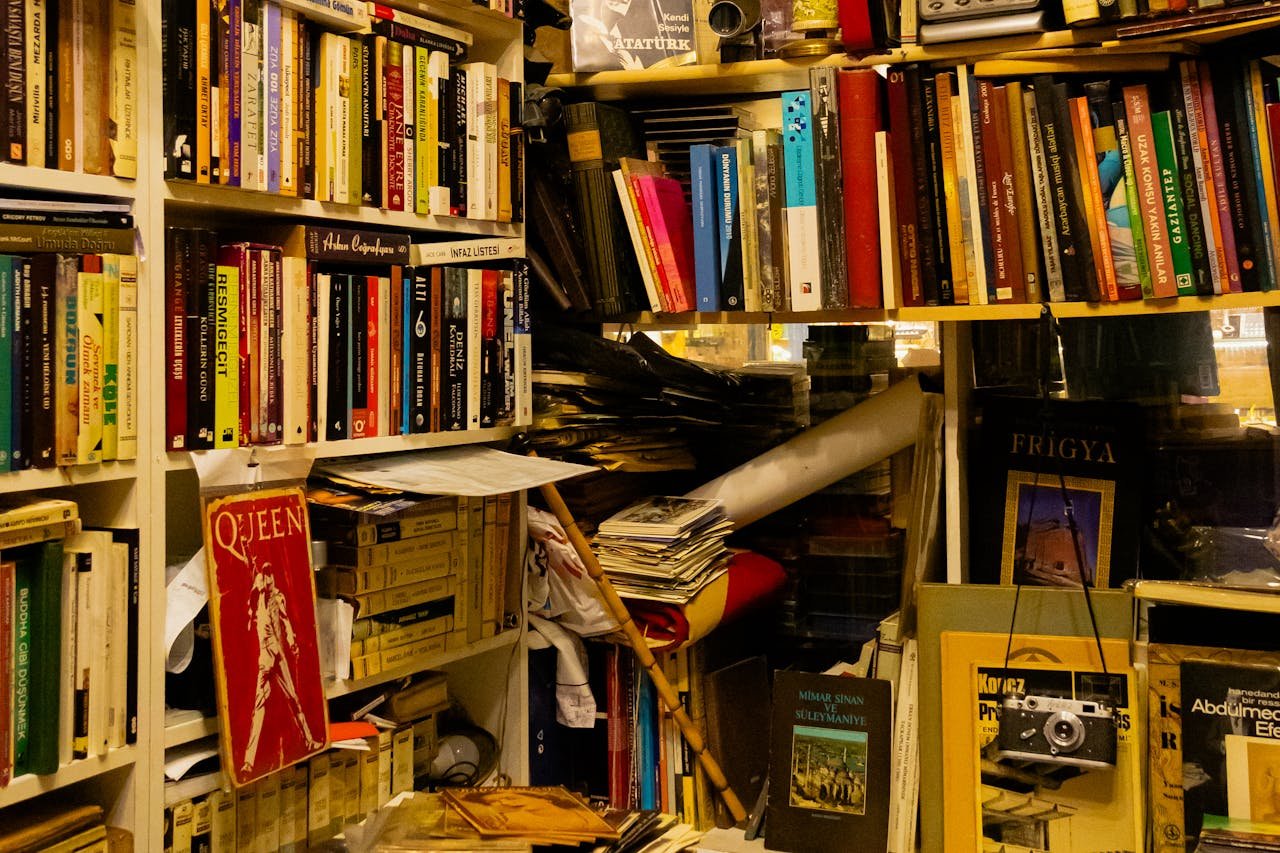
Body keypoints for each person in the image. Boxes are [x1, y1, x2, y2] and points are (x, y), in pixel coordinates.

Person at [241, 564, 323, 773]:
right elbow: (249, 623)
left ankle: (309, 741)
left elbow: (286, 622)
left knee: (293, 699)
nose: (268, 581)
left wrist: (292, 642)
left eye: (270, 576)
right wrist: (255, 591)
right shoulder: (256, 598)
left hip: (278, 654)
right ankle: (248, 761)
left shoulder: (277, 598)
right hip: (264, 656)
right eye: (264, 577)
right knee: (258, 705)